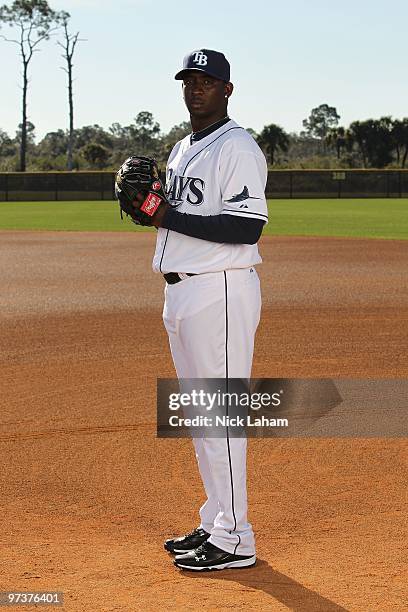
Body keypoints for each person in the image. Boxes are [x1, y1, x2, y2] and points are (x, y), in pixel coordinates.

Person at [151, 49, 268, 571]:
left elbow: (246, 227)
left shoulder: (237, 146)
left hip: (219, 290)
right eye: (189, 80)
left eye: (207, 81)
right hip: (182, 291)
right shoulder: (182, 148)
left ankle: (238, 536)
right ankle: (217, 518)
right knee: (201, 415)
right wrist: (148, 207)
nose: (196, 88)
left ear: (227, 90)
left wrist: (167, 212)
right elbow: (175, 216)